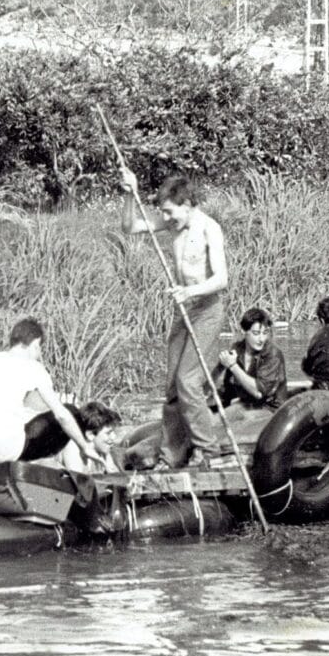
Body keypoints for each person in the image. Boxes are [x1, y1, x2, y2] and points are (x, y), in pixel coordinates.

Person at [121, 169, 229, 468]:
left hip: (207, 309)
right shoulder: (172, 224)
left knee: (188, 382)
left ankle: (208, 452)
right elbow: (130, 227)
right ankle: (170, 456)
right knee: (172, 387)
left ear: (188, 204)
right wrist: (130, 194)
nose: (166, 218)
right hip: (184, 311)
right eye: (163, 213)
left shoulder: (209, 229)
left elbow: (221, 279)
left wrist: (189, 290)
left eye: (170, 211)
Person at [0, 318, 103, 468]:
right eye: (40, 348)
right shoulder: (35, 368)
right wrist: (85, 447)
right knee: (71, 413)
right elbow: (62, 415)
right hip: (1, 452)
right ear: (35, 344)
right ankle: (77, 473)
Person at [215, 307, 288, 412]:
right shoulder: (236, 349)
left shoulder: (273, 354)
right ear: (244, 331)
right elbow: (227, 388)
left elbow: (259, 393)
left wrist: (233, 366)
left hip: (270, 409)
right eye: (256, 333)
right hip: (247, 404)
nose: (261, 339)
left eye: (265, 333)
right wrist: (221, 366)